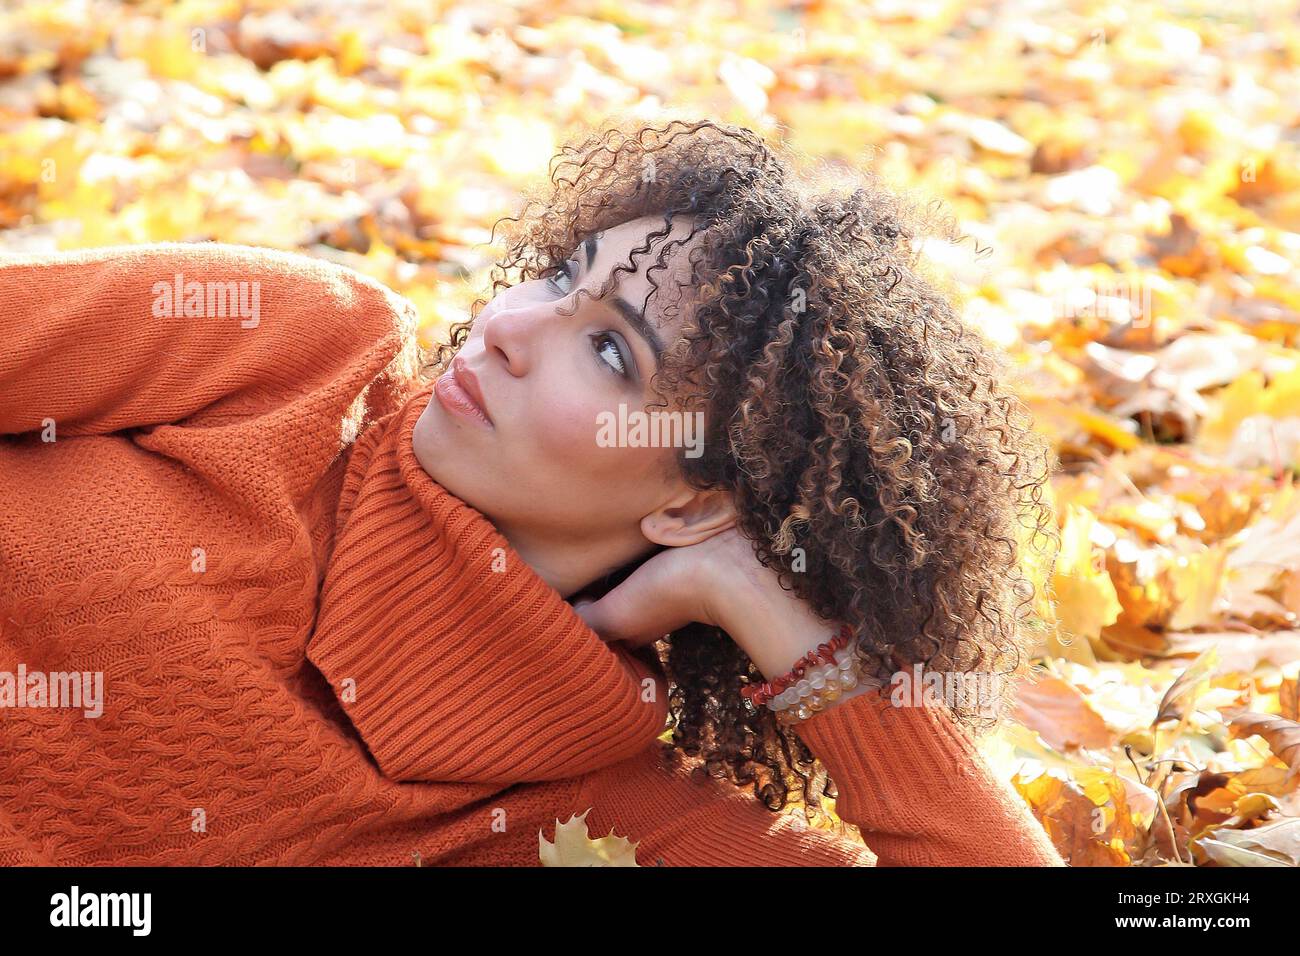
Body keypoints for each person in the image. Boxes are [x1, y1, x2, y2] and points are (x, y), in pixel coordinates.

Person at [0, 116, 1064, 866]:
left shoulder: (583, 806)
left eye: (609, 352)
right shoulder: (294, 347)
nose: (507, 327)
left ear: (690, 504)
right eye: (561, 277)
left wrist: (787, 628)